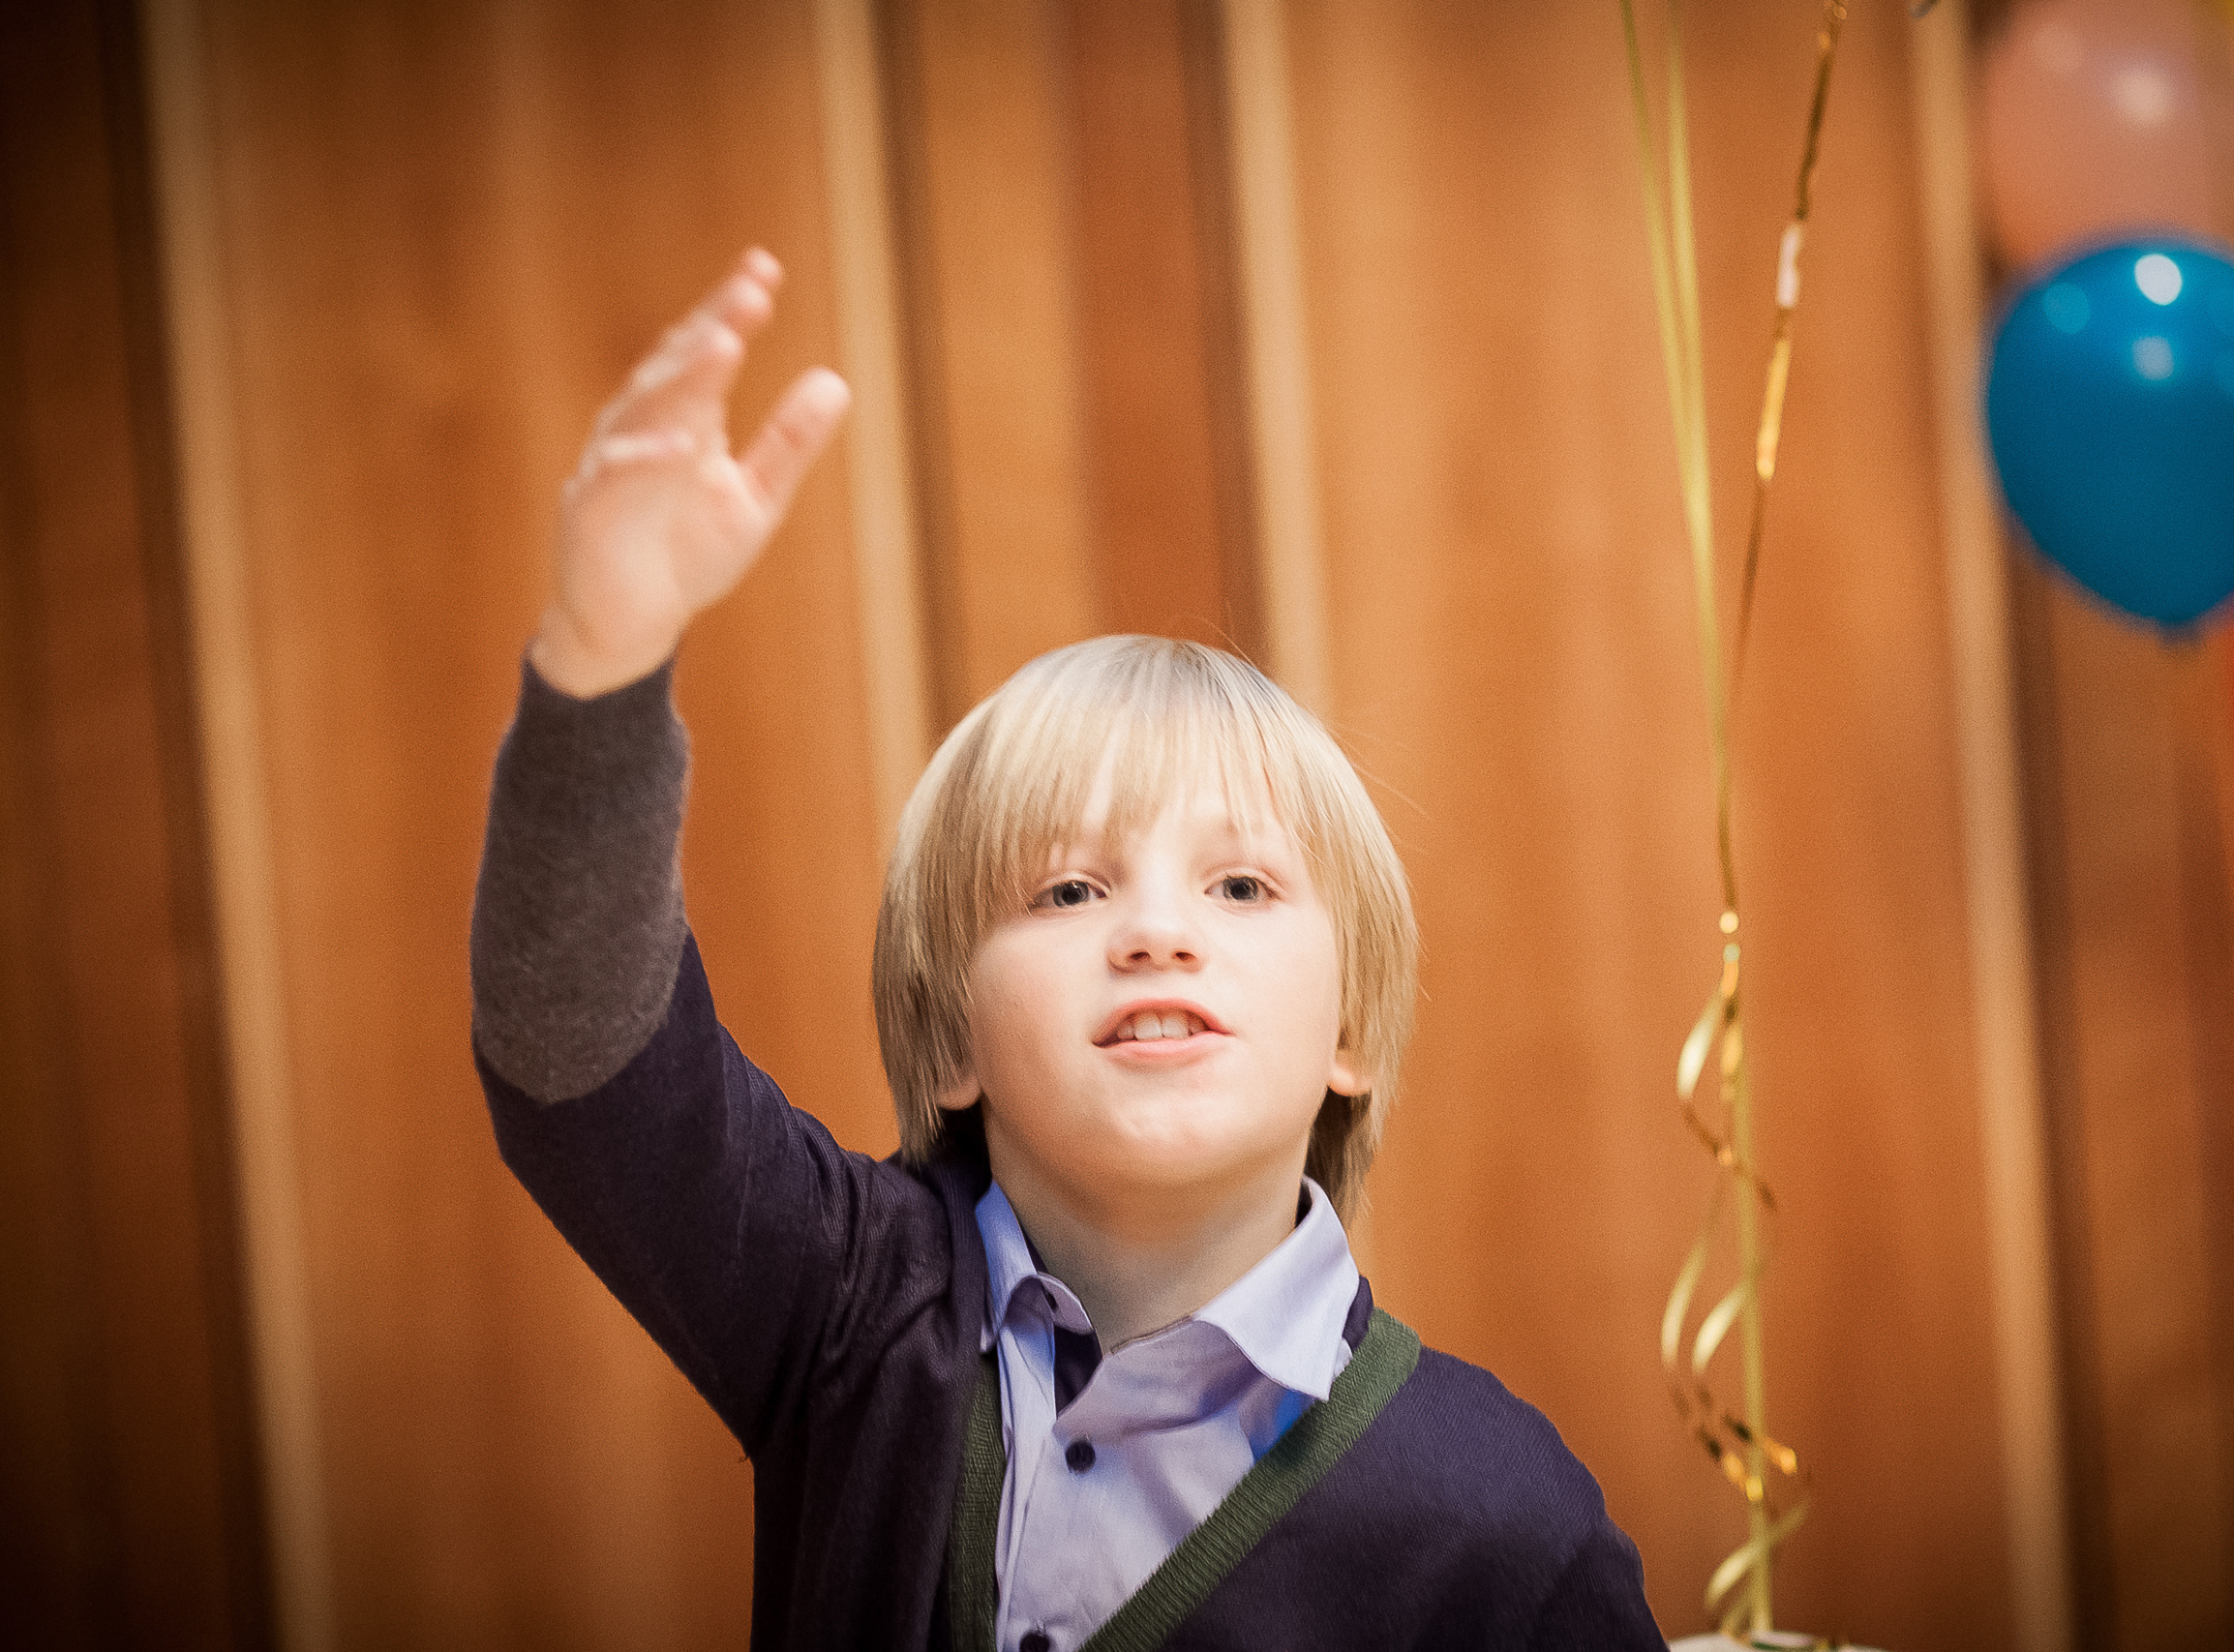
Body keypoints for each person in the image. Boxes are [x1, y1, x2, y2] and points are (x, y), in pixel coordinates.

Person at [471, 249, 1668, 1652]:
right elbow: (588, 1067)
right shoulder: (844, 1306)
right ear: (953, 1041)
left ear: (1351, 1031)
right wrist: (605, 650)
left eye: (1239, 886)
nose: (1156, 931)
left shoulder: (1507, 1529)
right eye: (1068, 893)